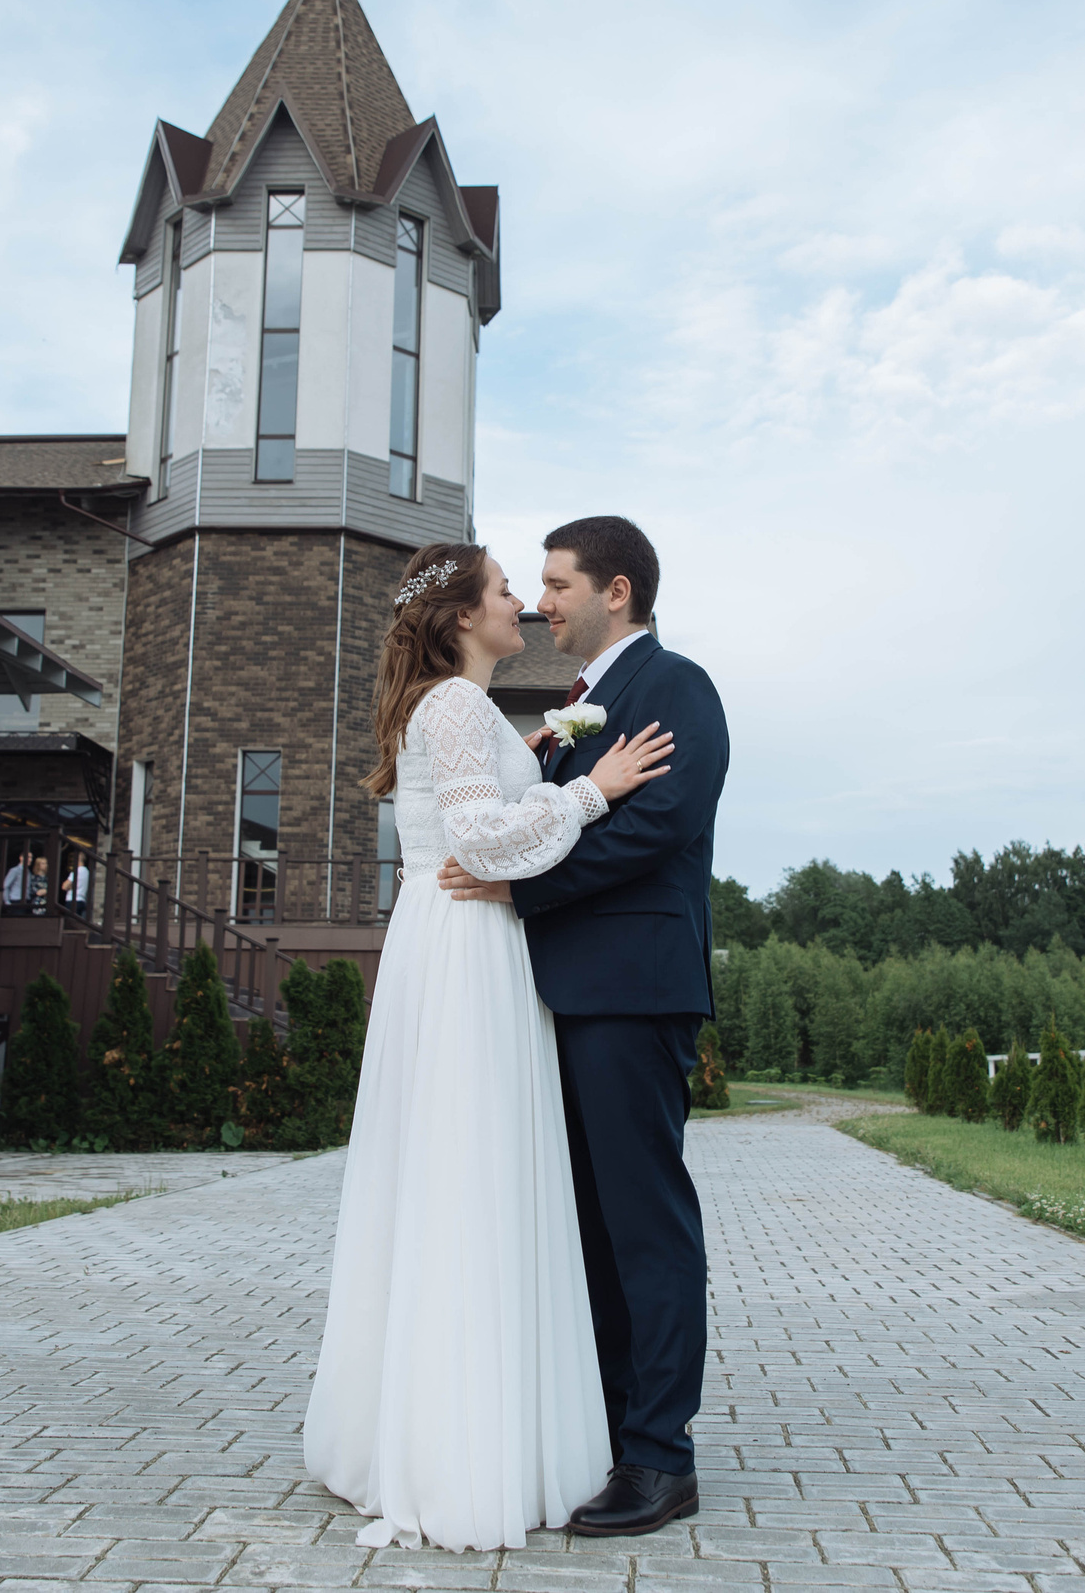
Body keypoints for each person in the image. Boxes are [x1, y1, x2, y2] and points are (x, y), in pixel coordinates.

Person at [303, 544, 677, 1552]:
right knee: (473, 1180)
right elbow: (478, 841)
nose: (523, 601)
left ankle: (443, 1424)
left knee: (454, 1178)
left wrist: (552, 742)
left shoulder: (458, 706)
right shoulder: (457, 707)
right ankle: (463, 1446)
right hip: (468, 949)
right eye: (508, 588)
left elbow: (486, 800)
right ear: (467, 615)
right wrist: (591, 787)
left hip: (454, 944)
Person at [439, 516, 729, 1537]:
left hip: (632, 990)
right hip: (567, 993)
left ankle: (661, 1456)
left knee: (644, 1224)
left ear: (615, 589)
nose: (536, 602)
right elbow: (564, 807)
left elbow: (658, 828)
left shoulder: (675, 687)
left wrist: (516, 893)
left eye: (556, 584)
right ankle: (609, 1429)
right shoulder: (575, 705)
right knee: (592, 1231)